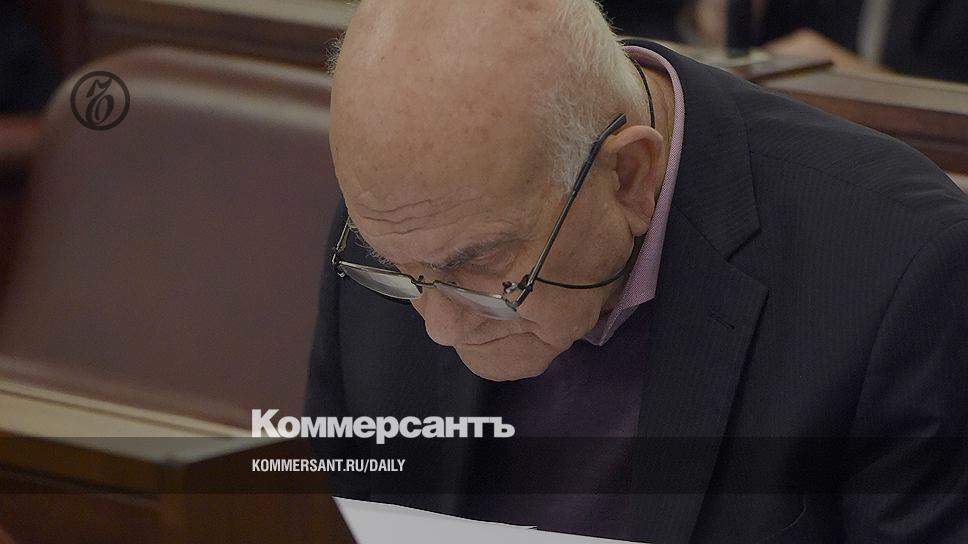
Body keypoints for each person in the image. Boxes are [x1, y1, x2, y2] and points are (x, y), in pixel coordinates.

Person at [305, 0, 968, 541]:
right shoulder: (408, 228)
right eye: (398, 267)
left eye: (480, 266)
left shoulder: (900, 277)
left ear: (629, 176)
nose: (440, 327)